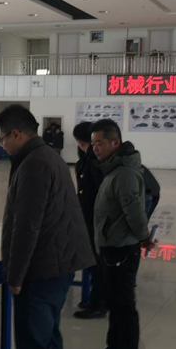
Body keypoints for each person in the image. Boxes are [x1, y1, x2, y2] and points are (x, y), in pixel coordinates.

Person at [0, 105, 94, 349]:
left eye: (3, 140)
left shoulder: (34, 164)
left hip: (42, 269)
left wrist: (16, 276)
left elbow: (27, 226)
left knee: (35, 346)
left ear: (16, 134)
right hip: (57, 263)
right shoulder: (47, 156)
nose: (2, 146)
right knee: (48, 341)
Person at [85, 119, 155, 349]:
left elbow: (135, 212)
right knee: (114, 304)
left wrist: (144, 237)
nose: (95, 148)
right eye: (93, 144)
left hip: (121, 250)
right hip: (111, 246)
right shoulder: (113, 170)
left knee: (124, 309)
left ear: (115, 143)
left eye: (99, 143)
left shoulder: (124, 174)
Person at [72, 122, 107, 319]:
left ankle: (99, 304)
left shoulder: (93, 163)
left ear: (80, 142)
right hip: (92, 218)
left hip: (95, 220)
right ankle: (96, 300)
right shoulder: (92, 160)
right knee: (95, 262)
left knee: (97, 263)